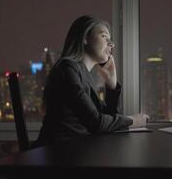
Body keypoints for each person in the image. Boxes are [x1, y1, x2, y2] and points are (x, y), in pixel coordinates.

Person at [33, 15, 149, 147]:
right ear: (85, 38)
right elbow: (96, 123)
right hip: (58, 154)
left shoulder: (81, 72)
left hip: (74, 151)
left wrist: (111, 85)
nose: (111, 44)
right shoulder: (67, 69)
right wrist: (133, 120)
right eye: (104, 37)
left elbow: (106, 119)